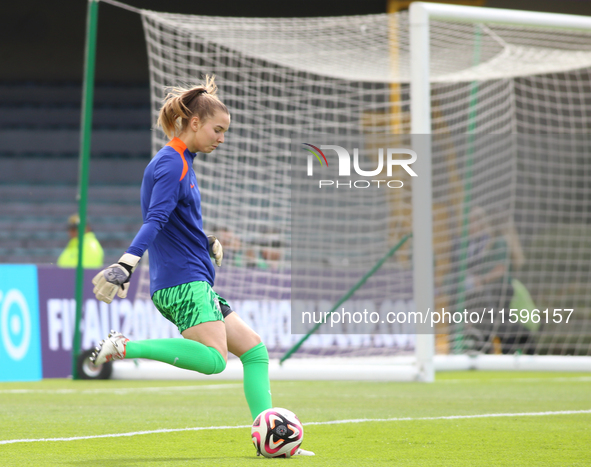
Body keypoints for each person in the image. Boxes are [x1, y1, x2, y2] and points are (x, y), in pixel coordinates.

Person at [89, 76, 313, 456]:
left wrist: (204, 239)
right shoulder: (171, 163)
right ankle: (126, 346)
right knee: (214, 361)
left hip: (194, 279)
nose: (221, 138)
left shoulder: (183, 162)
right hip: (183, 282)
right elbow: (155, 219)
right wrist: (125, 265)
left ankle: (268, 439)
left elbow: (175, 219)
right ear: (194, 123)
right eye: (218, 129)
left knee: (254, 351)